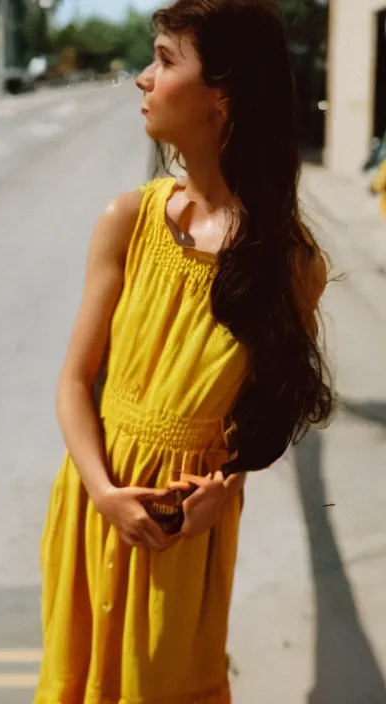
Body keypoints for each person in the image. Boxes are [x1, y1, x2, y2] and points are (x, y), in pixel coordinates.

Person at [33, 1, 333, 702]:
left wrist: (223, 488)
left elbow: (272, 412)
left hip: (181, 532)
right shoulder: (128, 221)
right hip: (94, 505)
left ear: (221, 94)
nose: (143, 78)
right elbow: (76, 382)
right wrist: (105, 494)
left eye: (165, 60)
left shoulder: (288, 264)